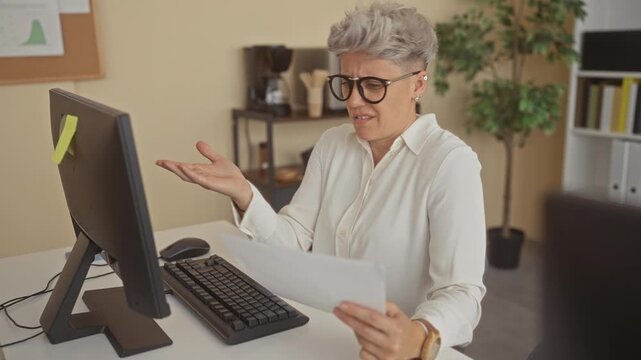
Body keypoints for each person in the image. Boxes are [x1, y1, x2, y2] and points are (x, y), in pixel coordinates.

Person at [156, 2, 486, 359]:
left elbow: (461, 292)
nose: (354, 101)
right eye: (347, 83)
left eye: (373, 85)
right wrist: (244, 193)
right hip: (319, 335)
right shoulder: (333, 144)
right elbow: (292, 241)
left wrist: (420, 335)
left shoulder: (449, 163)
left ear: (418, 83)